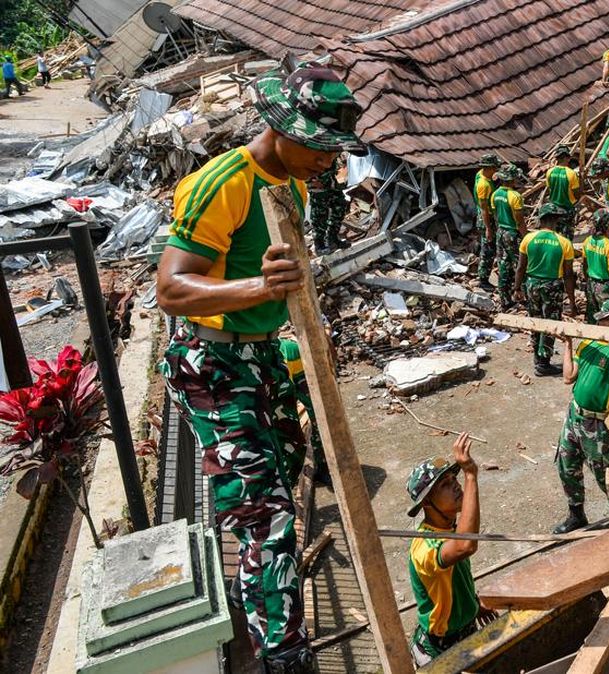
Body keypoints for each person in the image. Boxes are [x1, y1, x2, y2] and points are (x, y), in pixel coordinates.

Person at [157, 62, 366, 673]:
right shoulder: (224, 183)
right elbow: (171, 289)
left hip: (261, 354)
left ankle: (263, 599)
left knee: (290, 464)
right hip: (213, 365)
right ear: (281, 128)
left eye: (336, 149)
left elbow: (286, 280)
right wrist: (255, 288)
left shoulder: (291, 183)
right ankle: (283, 654)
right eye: (321, 146)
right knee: (264, 515)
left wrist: (303, 326)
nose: (330, 161)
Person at [406, 433, 496, 665]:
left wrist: (472, 605)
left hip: (465, 632)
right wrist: (470, 475)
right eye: (445, 485)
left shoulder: (449, 528)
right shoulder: (425, 548)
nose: (456, 486)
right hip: (439, 648)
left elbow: (453, 581)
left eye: (453, 480)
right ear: (427, 503)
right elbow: (466, 546)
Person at [553, 299, 609, 533]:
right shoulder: (587, 343)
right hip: (575, 414)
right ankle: (576, 514)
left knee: (604, 471)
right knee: (566, 464)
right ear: (599, 320)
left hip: (597, 422)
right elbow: (569, 377)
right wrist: (568, 344)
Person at [517, 203, 576, 376]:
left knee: (535, 320)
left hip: (532, 284)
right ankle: (544, 364)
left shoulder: (528, 239)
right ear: (554, 220)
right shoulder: (564, 243)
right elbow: (568, 275)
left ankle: (538, 356)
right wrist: (572, 301)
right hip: (552, 286)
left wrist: (517, 288)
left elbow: (521, 267)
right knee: (550, 323)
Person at [278, 337, 329, 486]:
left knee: (318, 415)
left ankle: (324, 464)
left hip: (296, 362)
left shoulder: (290, 352)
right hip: (275, 383)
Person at [582, 209, 609, 324]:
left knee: (593, 316)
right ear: (607, 226)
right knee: (608, 319)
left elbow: (584, 265)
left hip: (591, 284)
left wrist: (588, 281)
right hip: (604, 287)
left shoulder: (588, 241)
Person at [491, 164, 526, 309]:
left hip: (501, 232)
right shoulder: (515, 196)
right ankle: (525, 296)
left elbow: (495, 216)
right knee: (521, 264)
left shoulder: (495, 194)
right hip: (512, 233)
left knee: (503, 264)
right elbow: (519, 220)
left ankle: (504, 299)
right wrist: (525, 237)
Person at [308, 155, 349, 254]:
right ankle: (319, 245)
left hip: (331, 183)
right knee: (320, 215)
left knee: (340, 206)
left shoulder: (329, 145)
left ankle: (332, 238)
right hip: (317, 186)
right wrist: (310, 182)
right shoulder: (311, 147)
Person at [474, 153, 502, 289]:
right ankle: (483, 279)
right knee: (488, 250)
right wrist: (488, 229)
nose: (496, 170)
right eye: (494, 168)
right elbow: (484, 209)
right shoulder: (484, 185)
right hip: (486, 218)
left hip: (484, 216)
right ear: (489, 168)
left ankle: (482, 275)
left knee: (486, 247)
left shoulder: (480, 173)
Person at [545, 145, 581, 238]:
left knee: (555, 235)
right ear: (567, 158)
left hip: (553, 209)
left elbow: (550, 189)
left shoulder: (550, 172)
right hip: (567, 209)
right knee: (567, 237)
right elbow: (577, 194)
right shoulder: (571, 173)